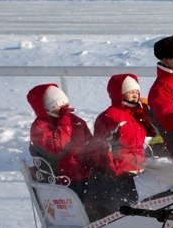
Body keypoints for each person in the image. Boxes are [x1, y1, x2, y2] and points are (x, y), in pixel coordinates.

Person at [27, 83, 101, 211]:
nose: (64, 109)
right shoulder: (40, 126)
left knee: (106, 194)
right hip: (62, 180)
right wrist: (65, 119)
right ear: (47, 108)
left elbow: (91, 146)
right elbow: (57, 147)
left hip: (83, 175)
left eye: (65, 105)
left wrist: (99, 166)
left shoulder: (76, 121)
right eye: (59, 107)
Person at [90, 73, 159, 212]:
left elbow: (154, 132)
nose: (135, 95)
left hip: (139, 164)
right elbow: (101, 146)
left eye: (137, 92)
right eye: (130, 92)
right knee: (129, 204)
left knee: (146, 202)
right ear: (120, 93)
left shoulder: (138, 112)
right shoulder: (110, 116)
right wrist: (110, 169)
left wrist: (149, 112)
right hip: (120, 169)